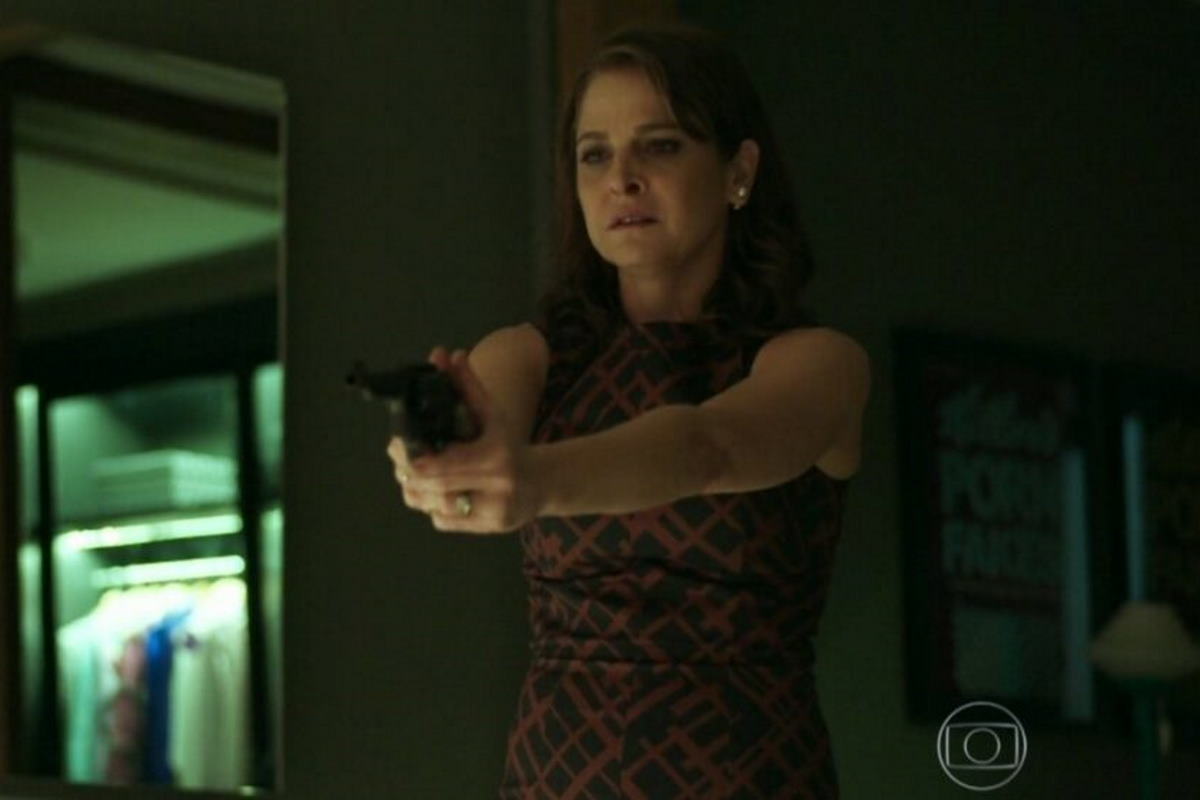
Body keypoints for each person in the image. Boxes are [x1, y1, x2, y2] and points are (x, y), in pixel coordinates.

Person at [387, 22, 870, 799]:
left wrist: (536, 480)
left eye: (661, 146)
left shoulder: (819, 364)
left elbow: (706, 447)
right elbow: (480, 444)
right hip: (553, 775)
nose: (622, 179)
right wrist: (440, 456)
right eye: (595, 155)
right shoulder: (530, 357)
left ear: (739, 171)